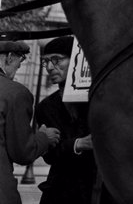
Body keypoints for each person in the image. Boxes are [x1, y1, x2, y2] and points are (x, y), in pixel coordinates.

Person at [35, 36, 97, 204]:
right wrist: (79, 144)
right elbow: (50, 155)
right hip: (60, 193)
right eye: (45, 62)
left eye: (56, 60)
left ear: (77, 59)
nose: (49, 67)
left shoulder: (99, 99)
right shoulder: (45, 107)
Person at [0, 35, 60, 204]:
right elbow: (23, 152)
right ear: (10, 57)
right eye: (19, 64)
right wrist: (43, 138)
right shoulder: (15, 93)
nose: (17, 70)